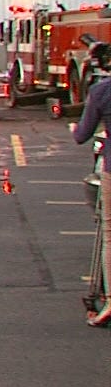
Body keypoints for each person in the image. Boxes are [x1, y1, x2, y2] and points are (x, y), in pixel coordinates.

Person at [72, 41, 111, 326]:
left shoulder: (100, 91)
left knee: (110, 231)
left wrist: (74, 127)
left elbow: (82, 134)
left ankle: (110, 301)